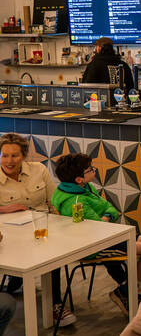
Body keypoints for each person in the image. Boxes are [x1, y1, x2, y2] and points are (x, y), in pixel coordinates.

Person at [51, 153, 141, 314]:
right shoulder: (75, 201)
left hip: (107, 236)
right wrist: (106, 219)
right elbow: (97, 227)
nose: (94, 170)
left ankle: (127, 288)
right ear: (79, 179)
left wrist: (107, 217)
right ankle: (133, 291)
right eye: (90, 169)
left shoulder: (86, 188)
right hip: (93, 245)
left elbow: (110, 208)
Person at [0, 133, 76, 327]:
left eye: (14, 156)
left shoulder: (38, 169)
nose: (9, 161)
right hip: (10, 234)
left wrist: (63, 224)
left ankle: (55, 304)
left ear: (24, 156)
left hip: (43, 227)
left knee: (52, 252)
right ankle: (17, 285)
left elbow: (53, 201)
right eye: (5, 155)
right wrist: (4, 208)